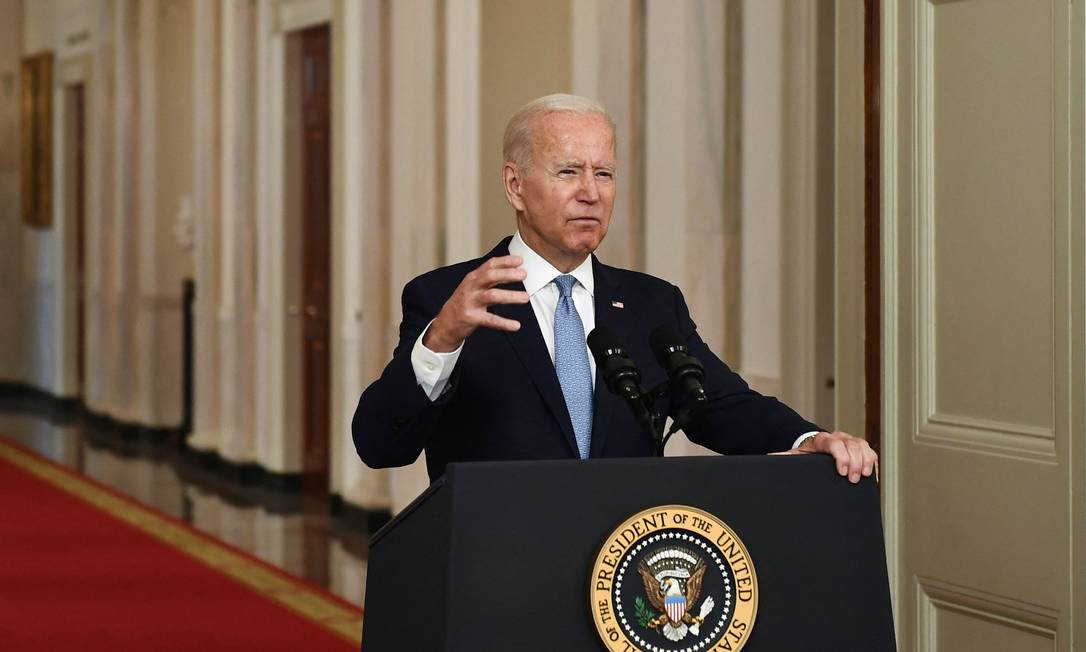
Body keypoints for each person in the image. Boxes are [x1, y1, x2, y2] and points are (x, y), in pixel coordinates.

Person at [353, 94, 877, 484]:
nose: (590, 193)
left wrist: (810, 439)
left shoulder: (652, 304)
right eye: (568, 172)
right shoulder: (449, 298)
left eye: (604, 173)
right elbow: (380, 445)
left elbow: (719, 404)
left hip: (623, 574)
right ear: (515, 185)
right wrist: (442, 339)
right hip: (498, 575)